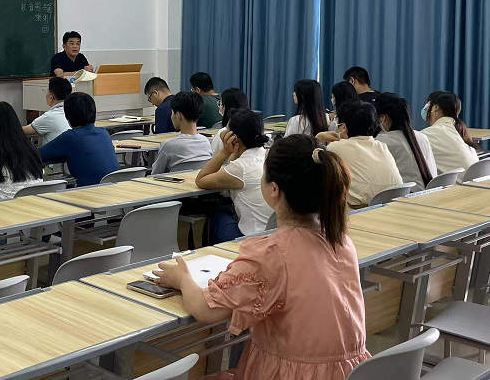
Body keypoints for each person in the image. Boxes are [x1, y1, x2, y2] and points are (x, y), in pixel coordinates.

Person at [153, 134, 371, 379]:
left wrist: (182, 278)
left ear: (274, 189)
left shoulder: (272, 254)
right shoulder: (341, 241)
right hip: (350, 373)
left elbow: (206, 310)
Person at [195, 110, 271, 243]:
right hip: (271, 234)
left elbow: (201, 180)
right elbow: (232, 165)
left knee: (218, 215)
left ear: (233, 138)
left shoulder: (241, 168)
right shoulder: (266, 156)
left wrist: (225, 151)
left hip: (252, 239)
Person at [317, 101, 402, 206]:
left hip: (360, 211)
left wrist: (319, 138)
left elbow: (315, 162)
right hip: (393, 206)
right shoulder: (381, 146)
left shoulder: (336, 147)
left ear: (343, 127)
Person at [39, 92, 119, 186]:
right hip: (113, 189)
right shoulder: (104, 133)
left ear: (67, 116)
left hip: (87, 191)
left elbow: (37, 154)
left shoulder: (71, 137)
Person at [374, 93, 437, 189]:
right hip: (428, 192)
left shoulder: (381, 142)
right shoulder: (422, 137)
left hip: (407, 195)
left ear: (383, 118)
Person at [151, 92, 214, 175]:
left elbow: (155, 174)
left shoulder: (169, 145)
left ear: (178, 115)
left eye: (172, 113)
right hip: (198, 182)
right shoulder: (206, 142)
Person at [421, 91, 479, 174]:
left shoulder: (427, 135)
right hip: (472, 180)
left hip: (457, 181)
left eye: (427, 104)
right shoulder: (457, 129)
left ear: (435, 107)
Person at [23, 77, 72, 146]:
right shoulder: (73, 112)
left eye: (47, 90)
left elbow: (23, 131)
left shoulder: (50, 117)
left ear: (51, 98)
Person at [211, 88, 249, 155]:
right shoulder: (252, 130)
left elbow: (212, 157)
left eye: (220, 103)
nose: (220, 106)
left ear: (226, 107)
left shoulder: (224, 133)